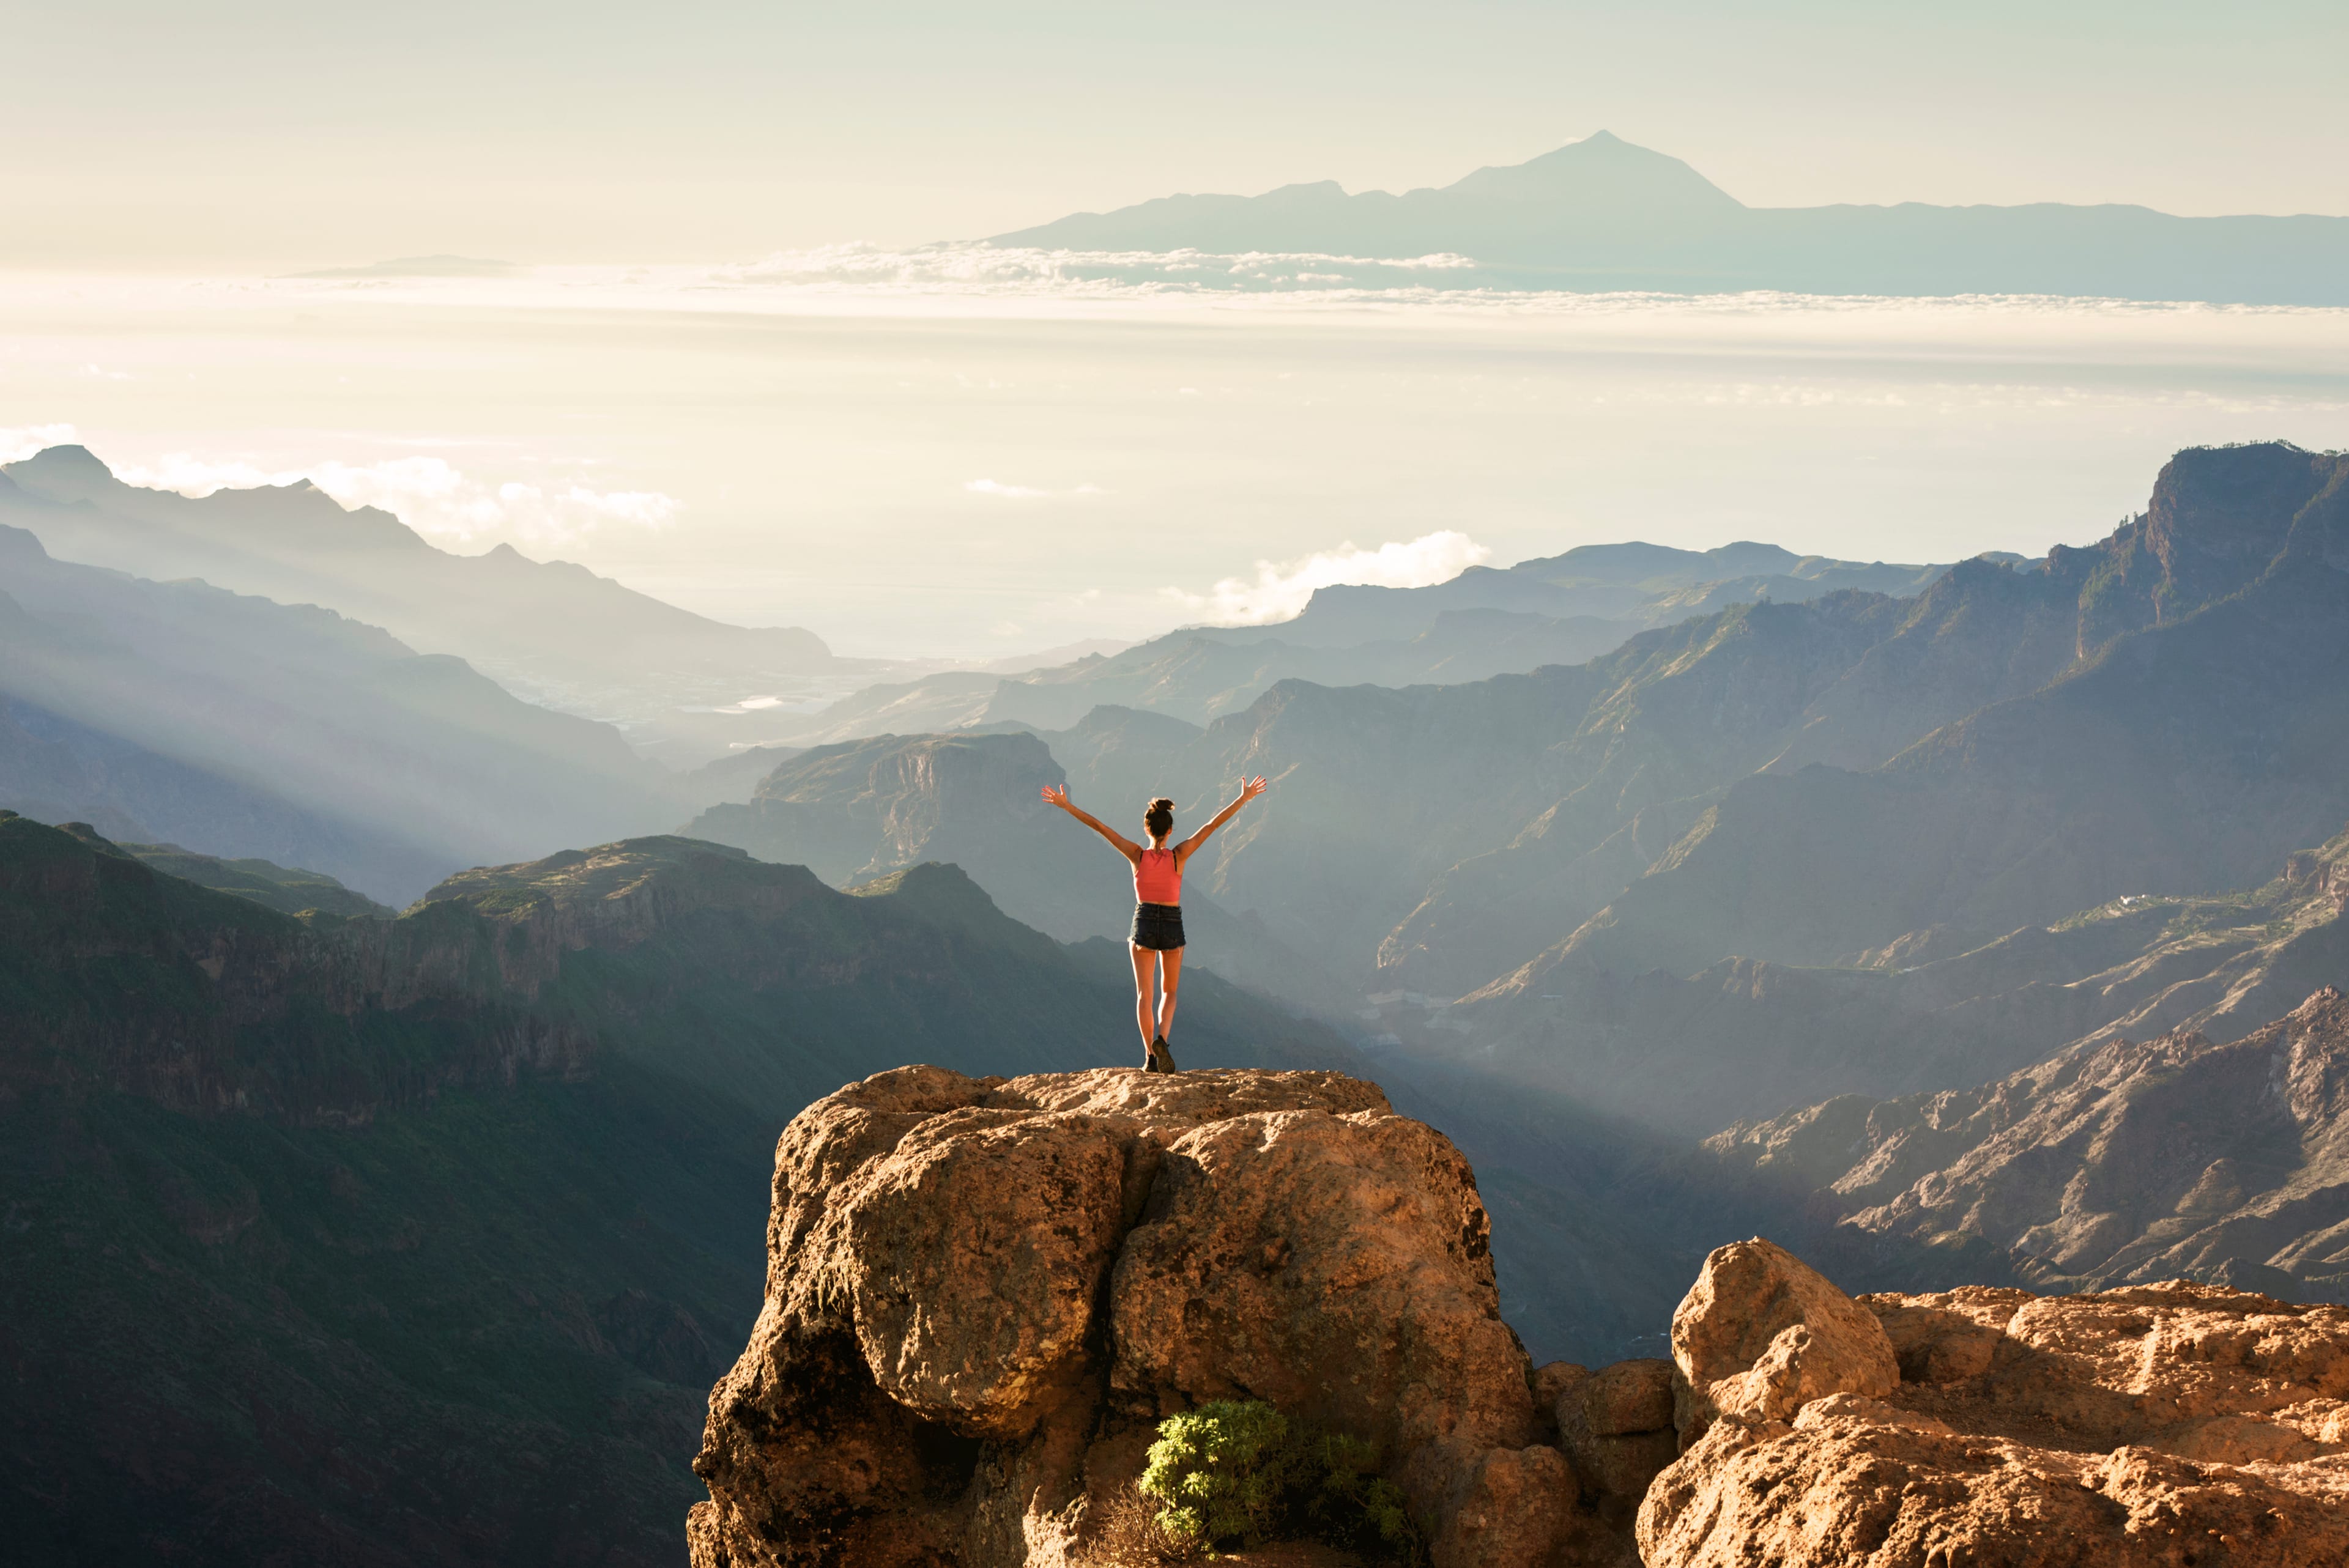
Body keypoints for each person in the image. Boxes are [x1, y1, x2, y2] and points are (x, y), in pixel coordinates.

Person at [1042, 775, 1269, 1073]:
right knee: (1170, 992)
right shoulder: (1180, 855)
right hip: (1173, 923)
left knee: (1143, 995)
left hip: (1144, 921)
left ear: (1146, 828)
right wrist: (1244, 798)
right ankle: (1163, 1038)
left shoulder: (1136, 855)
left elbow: (1099, 827)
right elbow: (1212, 826)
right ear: (1171, 830)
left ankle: (1149, 1056)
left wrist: (1066, 806)